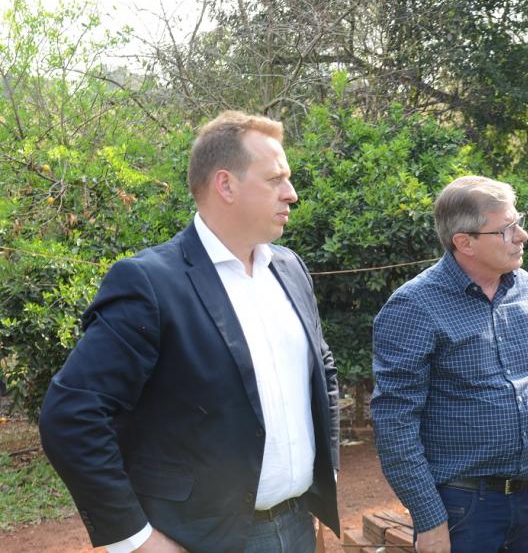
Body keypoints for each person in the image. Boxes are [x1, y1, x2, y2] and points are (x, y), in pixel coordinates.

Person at [39, 111, 340, 553]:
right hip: (203, 540)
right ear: (226, 185)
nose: (291, 193)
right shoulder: (150, 283)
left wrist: (324, 476)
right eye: (275, 179)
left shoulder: (290, 268)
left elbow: (323, 370)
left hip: (297, 527)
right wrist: (136, 539)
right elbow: (71, 415)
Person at [371, 175, 528, 553]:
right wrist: (429, 519)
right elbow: (395, 423)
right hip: (462, 507)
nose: (522, 235)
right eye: (507, 229)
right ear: (465, 243)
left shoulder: (526, 289)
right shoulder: (414, 306)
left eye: (519, 222)